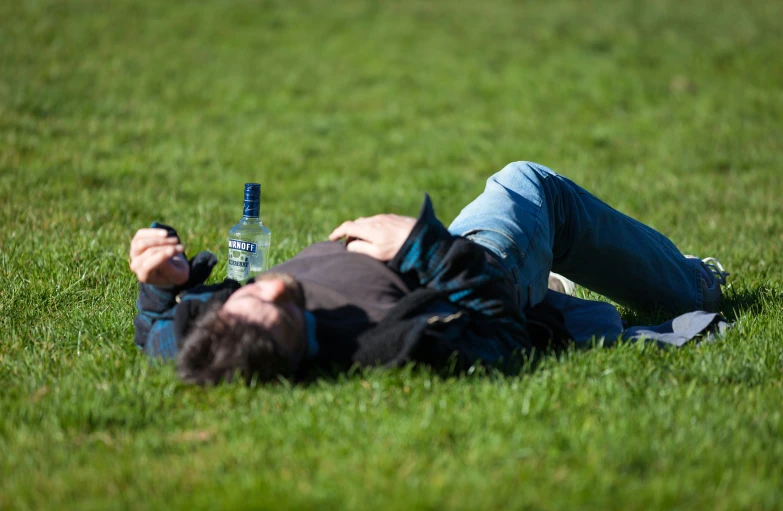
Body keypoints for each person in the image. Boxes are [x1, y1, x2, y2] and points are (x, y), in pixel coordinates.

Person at [130, 161, 729, 384]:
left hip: (444, 259)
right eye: (285, 310)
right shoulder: (392, 346)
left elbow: (160, 331)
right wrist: (420, 246)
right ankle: (693, 283)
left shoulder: (214, 339)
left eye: (249, 296)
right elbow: (500, 334)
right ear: (293, 352)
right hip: (473, 265)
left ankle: (553, 289)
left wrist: (160, 281)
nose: (275, 286)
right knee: (528, 185)